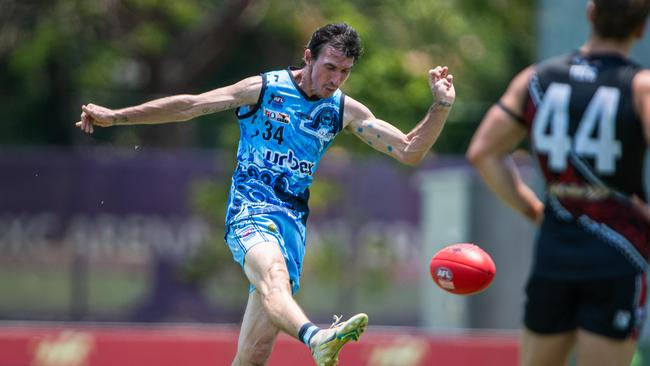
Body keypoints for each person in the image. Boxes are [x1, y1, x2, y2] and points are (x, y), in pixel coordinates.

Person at [76, 23, 455, 366]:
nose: (336, 79)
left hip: (293, 223)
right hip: (250, 210)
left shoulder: (343, 110)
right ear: (308, 57)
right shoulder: (264, 90)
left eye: (344, 72)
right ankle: (317, 337)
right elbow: (190, 106)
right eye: (329, 67)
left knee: (253, 356)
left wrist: (440, 105)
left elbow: (409, 150)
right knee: (274, 277)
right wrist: (117, 116)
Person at [466, 1, 650, 365]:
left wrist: (533, 209)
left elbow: (483, 152)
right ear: (640, 29)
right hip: (618, 254)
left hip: (555, 252)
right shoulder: (640, 86)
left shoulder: (536, 79)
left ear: (591, 14)